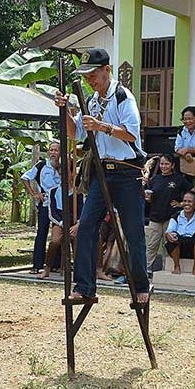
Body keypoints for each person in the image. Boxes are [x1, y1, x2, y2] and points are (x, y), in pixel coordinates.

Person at [55, 47, 150, 304]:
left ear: (107, 70)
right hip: (101, 173)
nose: (90, 81)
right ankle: (85, 286)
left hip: (127, 172)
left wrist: (103, 127)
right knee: (85, 227)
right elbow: (76, 133)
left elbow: (131, 133)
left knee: (132, 232)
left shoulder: (122, 97)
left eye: (93, 75)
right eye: (86, 77)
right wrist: (64, 111)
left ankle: (141, 286)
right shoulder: (93, 101)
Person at [143, 154, 192, 274]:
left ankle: (167, 269)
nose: (164, 166)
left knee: (169, 245)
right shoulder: (155, 179)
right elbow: (149, 198)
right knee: (151, 245)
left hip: (171, 218)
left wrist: (181, 204)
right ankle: (146, 270)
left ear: (172, 165)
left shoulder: (178, 179)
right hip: (155, 217)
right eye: (162, 164)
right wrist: (148, 198)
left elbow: (192, 192)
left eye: (166, 164)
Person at [40, 157, 84, 279]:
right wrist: (60, 222)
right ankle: (47, 269)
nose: (63, 176)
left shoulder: (77, 192)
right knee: (54, 241)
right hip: (59, 221)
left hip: (74, 222)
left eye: (66, 173)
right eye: (60, 174)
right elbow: (52, 212)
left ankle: (79, 271)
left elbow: (82, 211)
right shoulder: (53, 191)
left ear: (72, 173)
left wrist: (77, 225)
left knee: (76, 240)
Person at [23, 141, 62, 274]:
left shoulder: (65, 166)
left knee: (58, 234)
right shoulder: (41, 166)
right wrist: (34, 194)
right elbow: (25, 177)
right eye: (51, 150)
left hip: (60, 205)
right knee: (42, 233)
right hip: (45, 204)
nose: (53, 153)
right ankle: (37, 264)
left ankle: (56, 264)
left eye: (56, 150)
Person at [164, 190, 195, 275]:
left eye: (190, 201)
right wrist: (169, 235)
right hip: (178, 247)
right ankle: (176, 266)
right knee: (172, 236)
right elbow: (168, 232)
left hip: (193, 248)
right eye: (184, 201)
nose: (186, 204)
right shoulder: (175, 216)